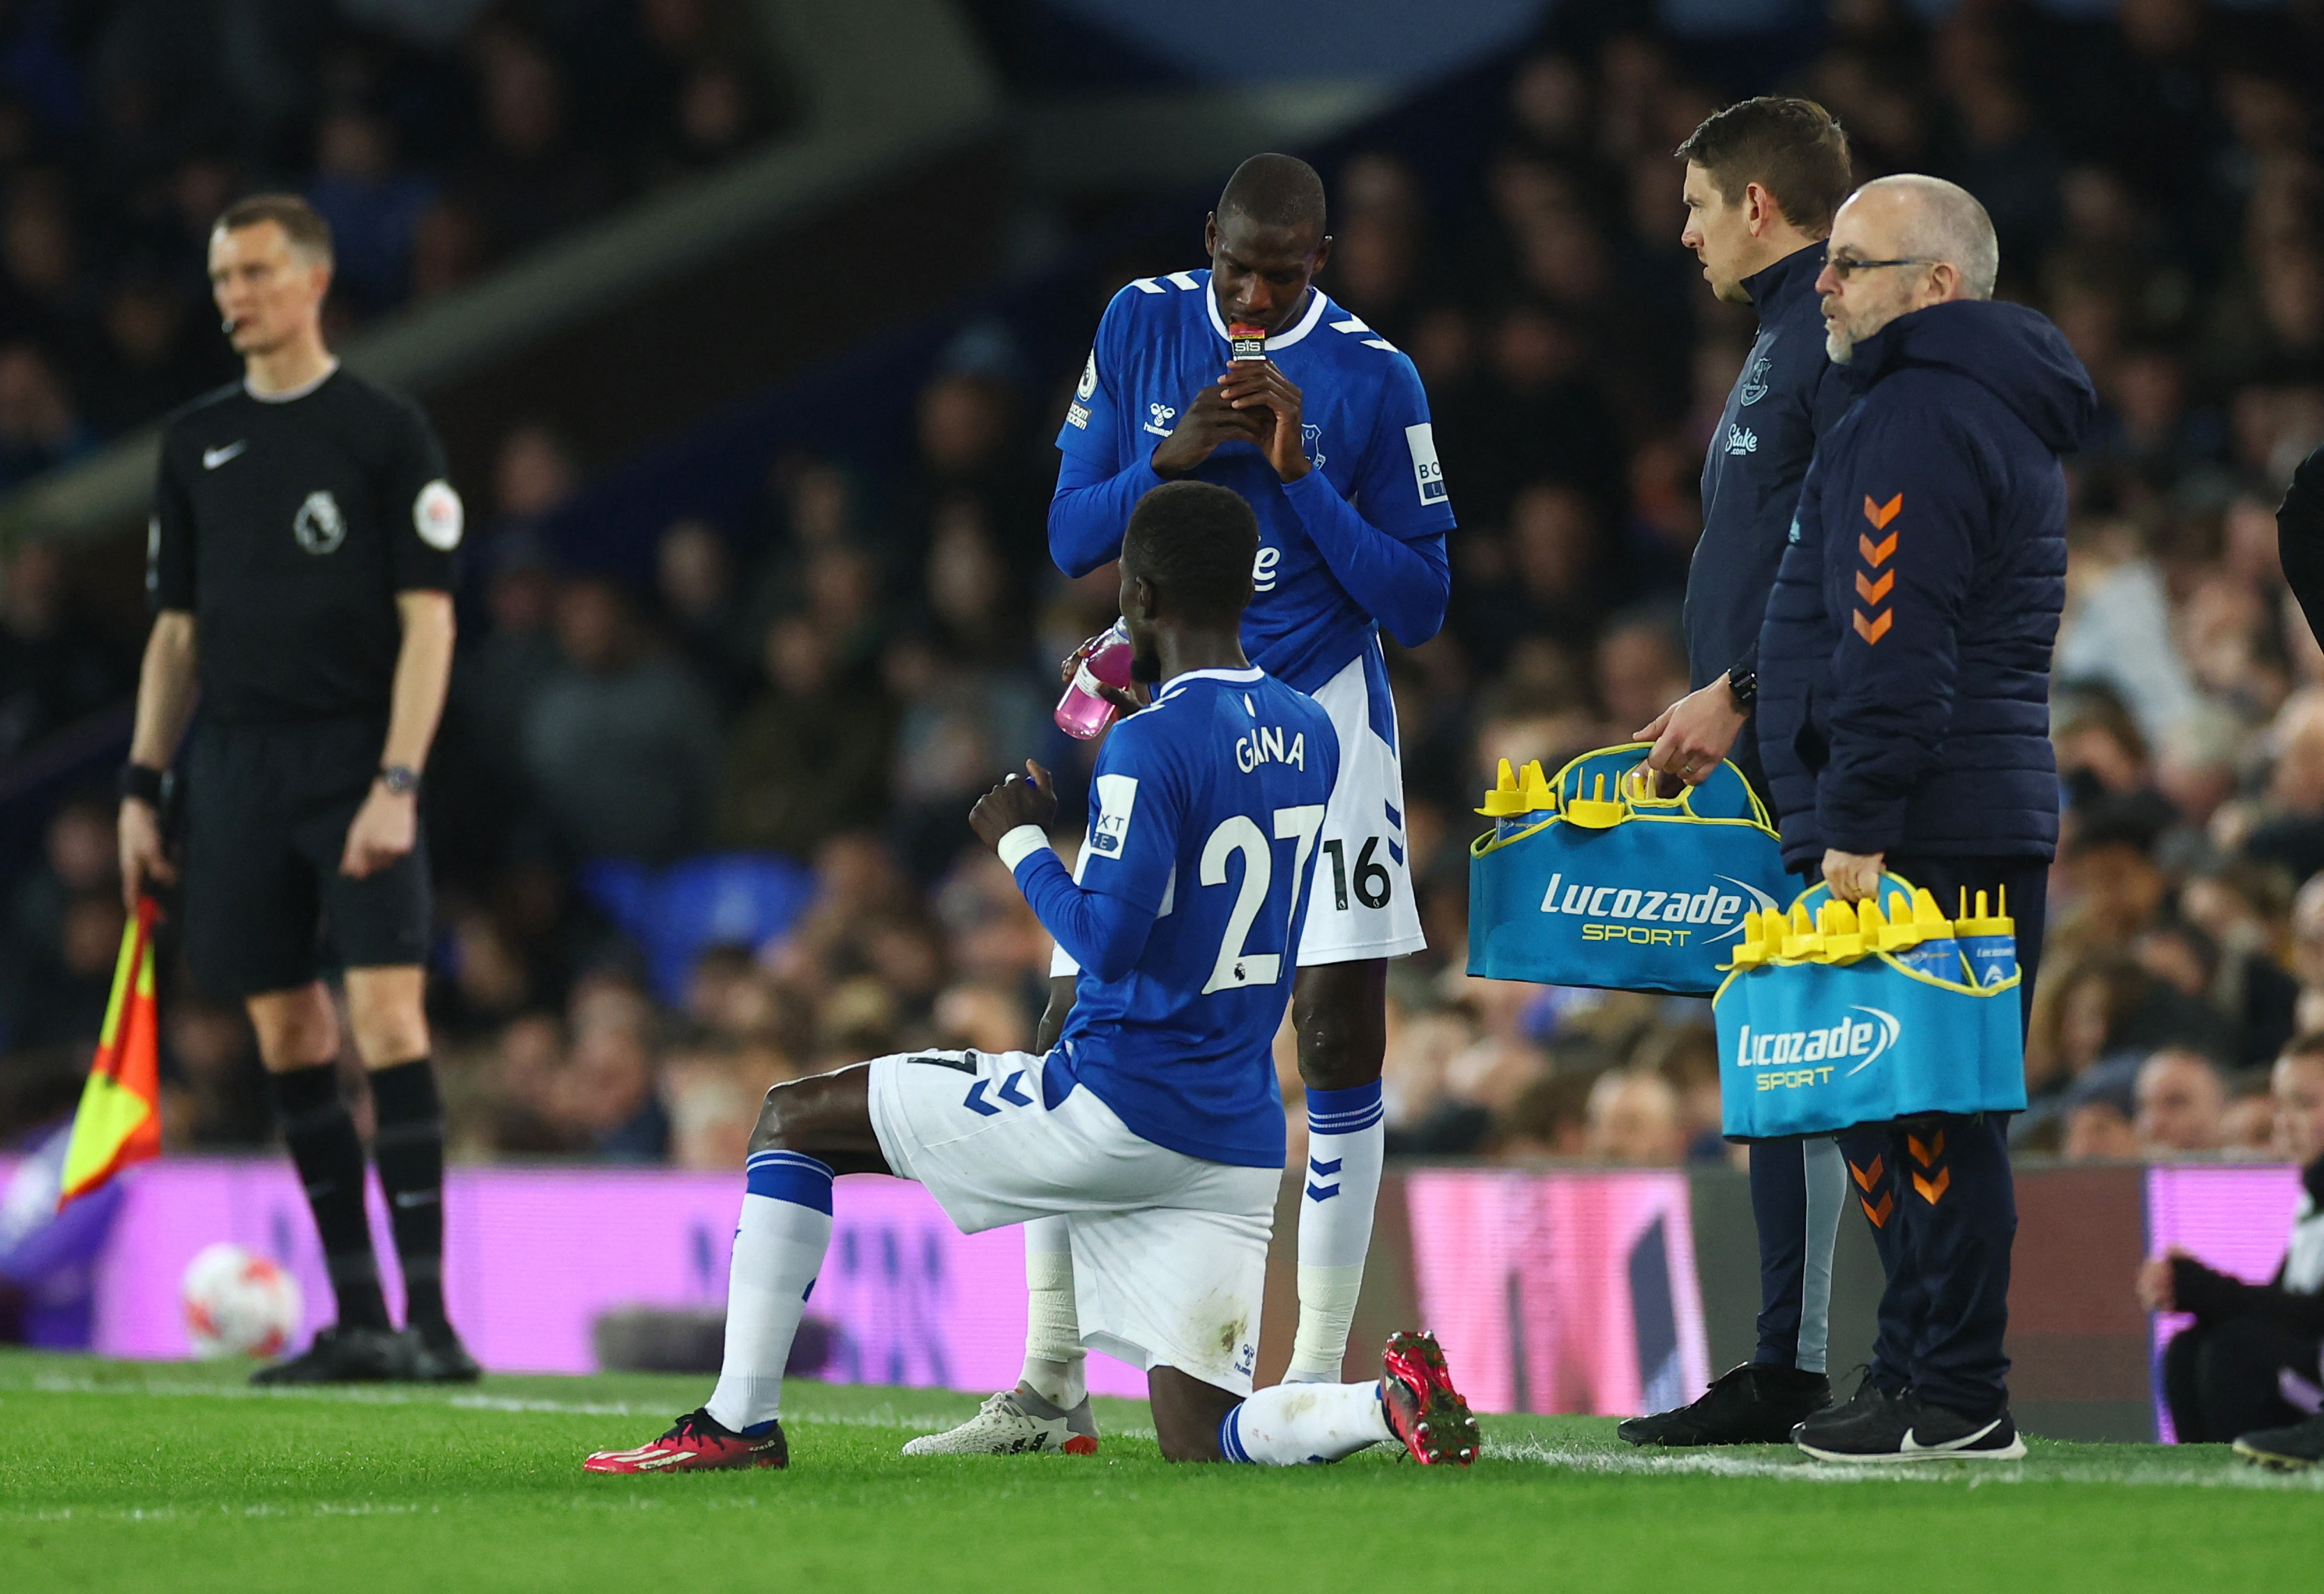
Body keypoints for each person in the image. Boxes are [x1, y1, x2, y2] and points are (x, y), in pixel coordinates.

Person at [582, 482, 1481, 1472]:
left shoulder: (1143, 744)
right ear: (1245, 593)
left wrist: (1017, 842)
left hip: (1112, 1105)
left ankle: (737, 1418)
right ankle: (1377, 1401)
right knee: (1206, 1438)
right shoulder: (1312, 732)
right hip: (1229, 1134)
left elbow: (1106, 941)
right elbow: (1219, 800)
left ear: (1137, 597)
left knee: (793, 1118)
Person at [915, 151, 1459, 1455]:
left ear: (1320, 260)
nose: (1256, 298)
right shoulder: (1139, 320)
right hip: (1168, 722)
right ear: (1207, 241)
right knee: (1069, 1018)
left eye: (1284, 273)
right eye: (1237, 269)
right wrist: (1167, 459)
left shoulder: (1375, 378)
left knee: (1333, 1041)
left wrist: (1301, 470)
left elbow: (1422, 605)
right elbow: (1067, 536)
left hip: (1322, 715)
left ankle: (1312, 1380)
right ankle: (1050, 1386)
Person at [1757, 174, 2095, 1461]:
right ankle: (1914, 1378)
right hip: (1953, 807)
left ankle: (1955, 1391)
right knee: (1900, 1103)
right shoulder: (1961, 409)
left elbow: (1893, 647)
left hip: (1924, 825)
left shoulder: (1917, 415)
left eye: (1851, 261)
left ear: (1935, 286)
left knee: (1929, 1110)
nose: (1824, 283)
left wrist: (1853, 825)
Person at [119, 195, 477, 1384]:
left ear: (313, 281)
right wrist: (141, 784)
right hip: (234, 769)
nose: (234, 295)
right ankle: (359, 1318)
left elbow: (429, 625)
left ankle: (431, 1323)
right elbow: (175, 636)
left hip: (350, 758)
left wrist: (397, 779)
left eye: (257, 272)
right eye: (222, 276)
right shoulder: (193, 443)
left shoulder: (383, 433)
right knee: (285, 1027)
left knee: (385, 1019)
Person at [1621, 96, 1860, 1449]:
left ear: (1757, 207)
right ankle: (1787, 1364)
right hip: (1762, 756)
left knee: (1828, 1052)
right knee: (1782, 1054)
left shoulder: (1824, 337)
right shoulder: (1777, 344)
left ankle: (1874, 1365)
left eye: (1700, 204)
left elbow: (1846, 544)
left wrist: (1748, 689)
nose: (1684, 230)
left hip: (1814, 759)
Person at [2140, 1033, 2324, 1466]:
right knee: (2188, 1351)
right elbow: (2290, 1311)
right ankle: (2212, 1488)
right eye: (2280, 1106)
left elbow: (2313, 1318)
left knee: (2238, 1351)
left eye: (2304, 1104)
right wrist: (2202, 1293)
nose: (2285, 1122)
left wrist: (2212, 1292)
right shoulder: (2311, 1200)